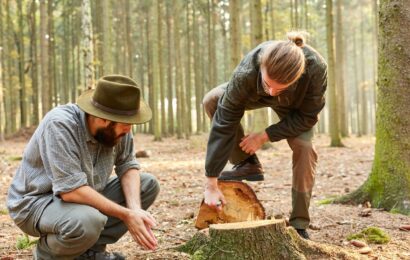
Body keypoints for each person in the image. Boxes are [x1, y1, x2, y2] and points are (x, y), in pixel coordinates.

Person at [7, 75, 160, 259]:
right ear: (103, 119)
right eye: (126, 125)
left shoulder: (120, 127)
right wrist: (126, 215)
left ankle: (90, 252)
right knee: (88, 220)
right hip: (35, 203)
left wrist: (134, 209)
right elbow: (71, 191)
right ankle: (46, 255)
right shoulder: (61, 124)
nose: (129, 130)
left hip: (80, 201)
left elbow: (127, 165)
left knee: (147, 185)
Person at [202, 32, 327, 239]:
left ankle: (299, 223)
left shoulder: (316, 69)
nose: (271, 92)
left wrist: (265, 135)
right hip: (253, 93)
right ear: (261, 67)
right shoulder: (248, 70)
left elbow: (308, 117)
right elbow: (223, 123)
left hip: (295, 109)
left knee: (305, 148)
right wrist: (211, 183)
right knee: (212, 100)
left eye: (278, 88)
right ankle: (246, 163)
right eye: (268, 84)